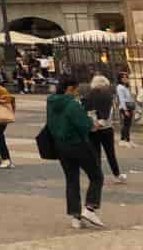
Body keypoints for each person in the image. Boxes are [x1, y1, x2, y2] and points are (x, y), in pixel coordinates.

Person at [48, 75, 105, 229]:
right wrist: (95, 124)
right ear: (69, 89)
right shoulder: (72, 105)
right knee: (96, 176)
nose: (77, 93)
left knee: (71, 180)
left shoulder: (51, 103)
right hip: (78, 144)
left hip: (60, 146)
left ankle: (75, 217)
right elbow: (84, 124)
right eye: (76, 90)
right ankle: (90, 208)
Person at [84, 74, 124, 183]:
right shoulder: (107, 96)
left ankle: (97, 176)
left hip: (92, 129)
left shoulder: (87, 96)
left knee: (96, 154)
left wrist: (92, 124)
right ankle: (117, 174)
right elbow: (109, 113)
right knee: (110, 153)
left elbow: (84, 111)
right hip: (106, 128)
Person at [117, 72, 136, 147]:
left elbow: (129, 98)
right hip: (124, 107)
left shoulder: (126, 87)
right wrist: (125, 110)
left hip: (129, 107)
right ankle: (124, 140)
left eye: (126, 77)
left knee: (128, 124)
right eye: (123, 77)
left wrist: (132, 107)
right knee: (126, 125)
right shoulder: (120, 87)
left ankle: (126, 140)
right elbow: (122, 99)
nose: (125, 79)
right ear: (120, 79)